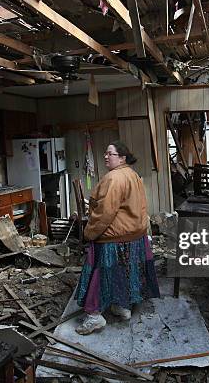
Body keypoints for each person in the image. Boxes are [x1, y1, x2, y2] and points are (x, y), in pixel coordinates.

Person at [74, 140, 160, 335]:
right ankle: (122, 306)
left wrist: (90, 233)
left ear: (122, 157)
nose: (106, 156)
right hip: (135, 235)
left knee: (99, 272)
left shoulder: (114, 178)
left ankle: (94, 315)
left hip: (115, 236)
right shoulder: (133, 175)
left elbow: (104, 212)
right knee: (123, 271)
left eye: (110, 154)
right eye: (105, 153)